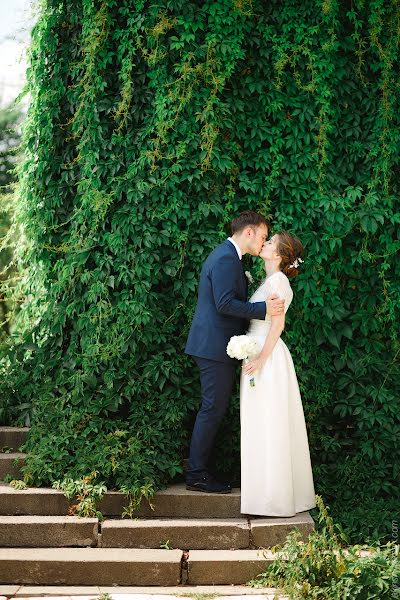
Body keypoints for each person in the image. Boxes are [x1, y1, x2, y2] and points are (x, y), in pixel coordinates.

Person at [185, 211, 285, 494]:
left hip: (216, 346)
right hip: (214, 346)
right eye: (263, 236)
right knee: (212, 409)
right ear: (249, 232)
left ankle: (201, 470)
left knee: (214, 409)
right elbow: (225, 303)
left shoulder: (229, 257)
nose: (263, 242)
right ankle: (196, 474)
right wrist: (263, 309)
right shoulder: (227, 258)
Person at [240, 231, 316, 515]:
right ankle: (263, 494)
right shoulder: (270, 280)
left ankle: (274, 498)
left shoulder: (279, 281)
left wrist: (260, 359)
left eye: (270, 242)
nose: (265, 243)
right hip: (256, 350)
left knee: (269, 420)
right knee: (260, 421)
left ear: (280, 254)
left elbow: (278, 325)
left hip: (267, 357)